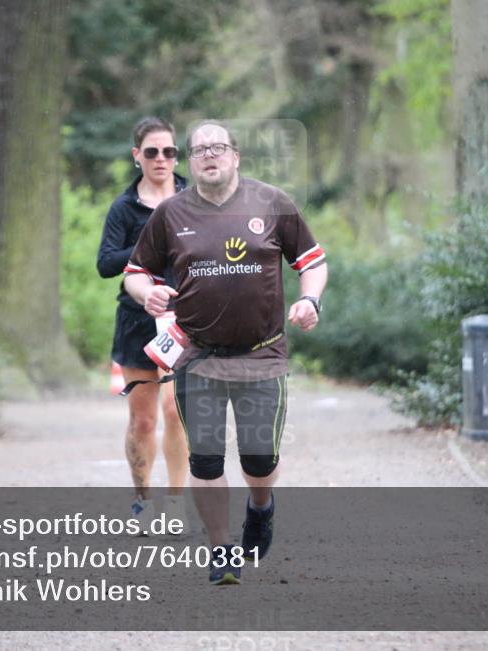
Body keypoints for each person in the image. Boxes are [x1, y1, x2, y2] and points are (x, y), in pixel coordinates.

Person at [123, 120, 328, 584]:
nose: (209, 155)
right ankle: (221, 551)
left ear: (235, 156)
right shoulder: (171, 214)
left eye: (218, 148)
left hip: (262, 354)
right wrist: (146, 294)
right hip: (198, 356)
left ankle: (261, 506)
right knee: (206, 459)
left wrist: (309, 299)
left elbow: (312, 262)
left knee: (260, 459)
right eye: (199, 150)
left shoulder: (272, 203)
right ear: (190, 162)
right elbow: (135, 271)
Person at [96, 117, 190, 530]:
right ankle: (141, 498)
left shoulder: (194, 197)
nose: (161, 159)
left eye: (168, 151)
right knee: (144, 419)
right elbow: (105, 263)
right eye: (151, 152)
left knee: (177, 409)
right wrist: (147, 243)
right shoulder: (125, 207)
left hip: (185, 320)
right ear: (137, 156)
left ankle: (175, 503)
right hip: (137, 319)